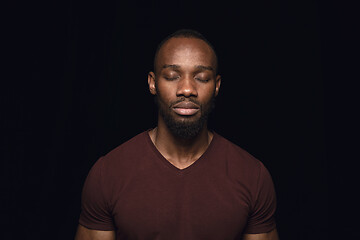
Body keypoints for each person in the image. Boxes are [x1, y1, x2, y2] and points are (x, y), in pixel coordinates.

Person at [75, 29, 279, 240]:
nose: (187, 89)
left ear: (217, 86)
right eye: (172, 76)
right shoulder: (108, 173)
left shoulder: (252, 176)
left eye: (201, 78)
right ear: (152, 83)